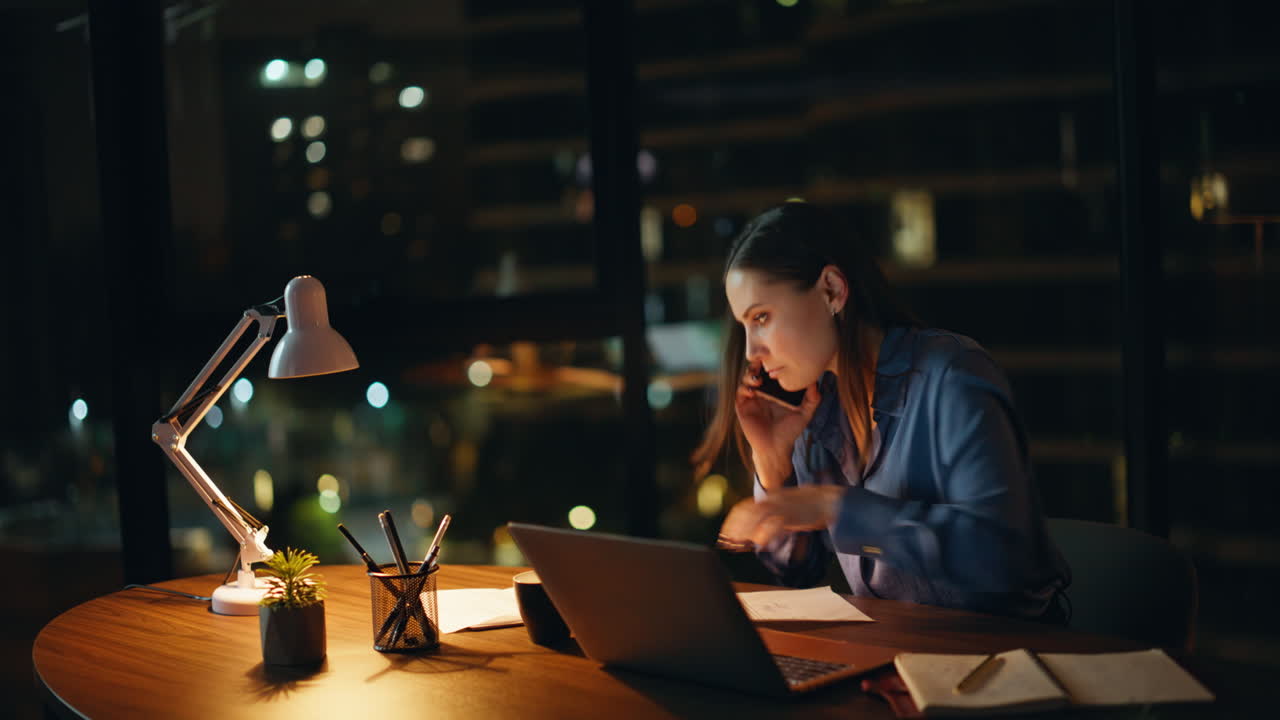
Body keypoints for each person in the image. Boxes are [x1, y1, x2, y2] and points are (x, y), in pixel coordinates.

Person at [694, 201, 1070, 622]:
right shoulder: (819, 408)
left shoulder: (951, 376)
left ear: (831, 290)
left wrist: (836, 506)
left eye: (762, 317)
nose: (751, 352)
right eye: (744, 326)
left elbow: (1000, 554)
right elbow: (797, 569)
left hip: (1006, 649)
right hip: (896, 649)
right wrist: (771, 464)